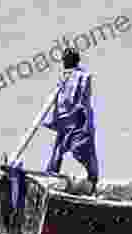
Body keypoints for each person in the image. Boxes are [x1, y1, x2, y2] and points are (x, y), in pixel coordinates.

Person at [41, 48, 99, 195]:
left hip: (78, 119)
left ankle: (92, 180)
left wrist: (87, 121)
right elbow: (59, 100)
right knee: (58, 151)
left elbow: (84, 98)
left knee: (82, 149)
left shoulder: (82, 76)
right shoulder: (64, 78)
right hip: (64, 121)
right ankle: (50, 176)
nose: (64, 63)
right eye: (64, 60)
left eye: (67, 60)